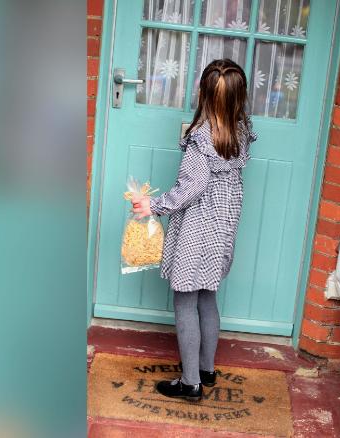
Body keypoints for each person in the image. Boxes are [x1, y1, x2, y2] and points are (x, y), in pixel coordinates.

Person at [131, 59, 257, 402]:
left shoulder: (202, 138)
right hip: (222, 229)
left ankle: (190, 383)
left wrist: (152, 206)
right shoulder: (240, 133)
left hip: (197, 229)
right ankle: (206, 368)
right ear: (239, 98)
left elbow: (191, 187)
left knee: (185, 300)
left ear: (201, 92)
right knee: (207, 297)